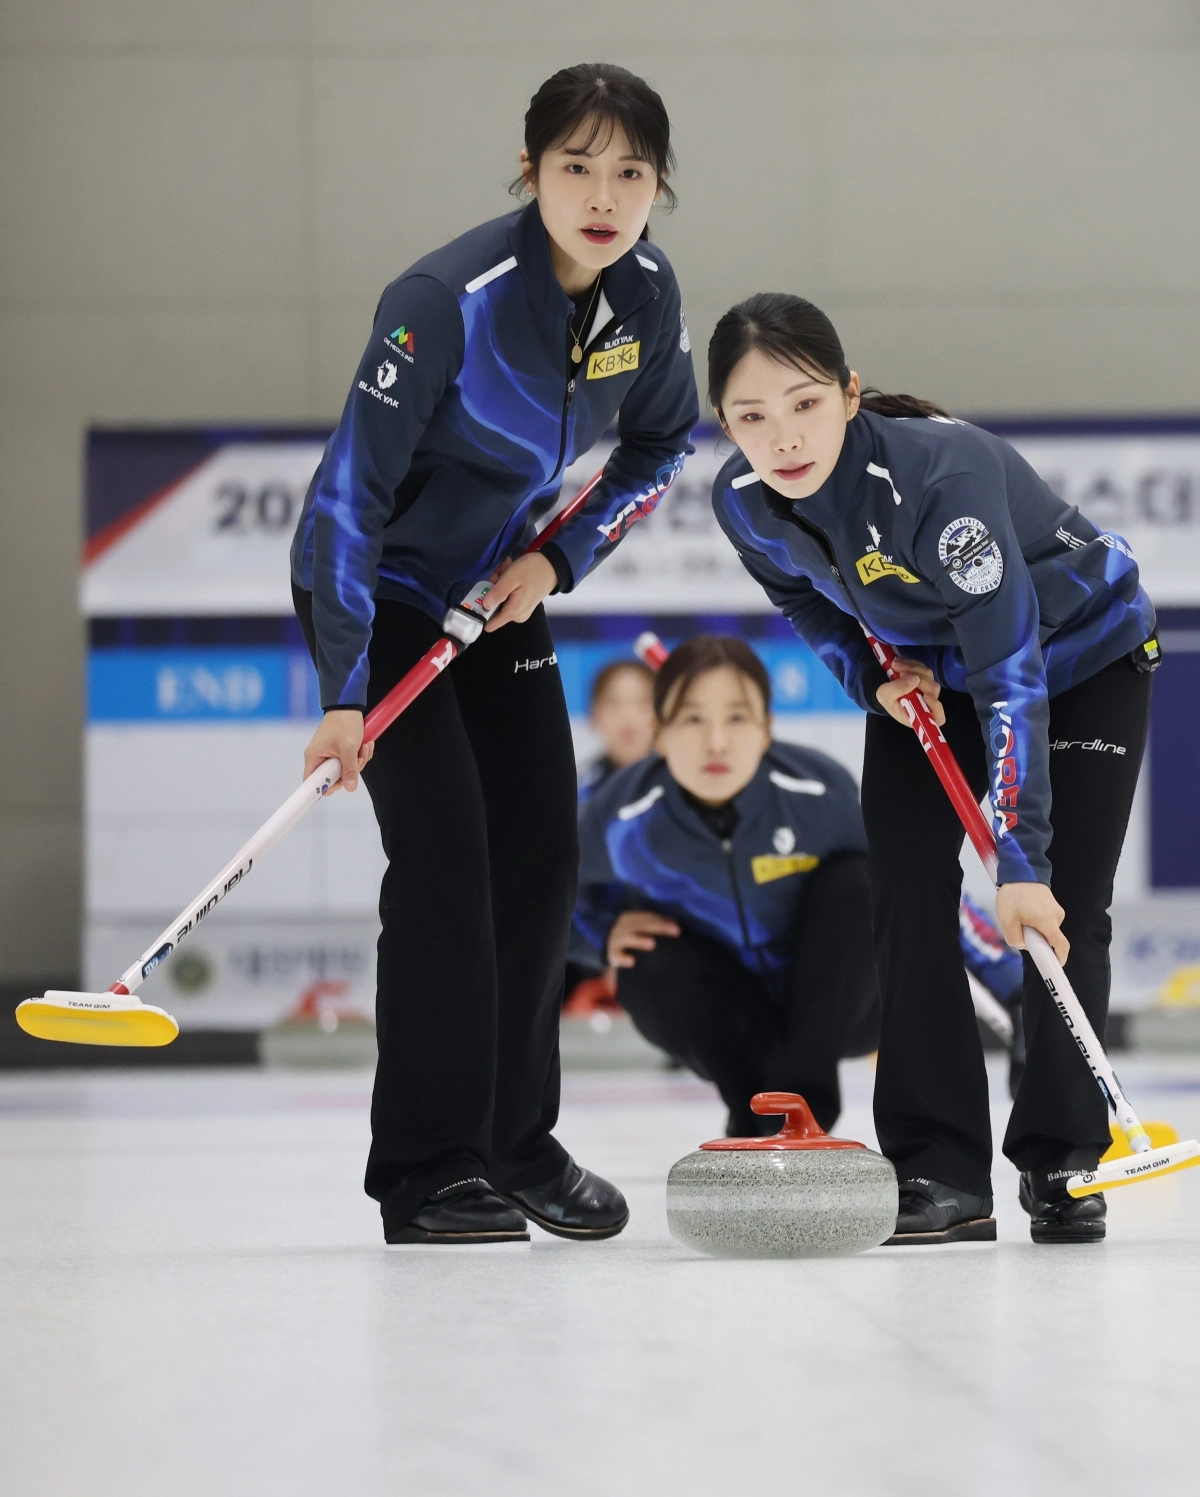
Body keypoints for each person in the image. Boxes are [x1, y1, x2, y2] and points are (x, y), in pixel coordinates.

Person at [289, 64, 698, 1246]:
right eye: (577, 166)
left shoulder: (648, 296)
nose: (604, 196)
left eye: (631, 171)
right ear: (531, 172)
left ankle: (516, 1144)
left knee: (538, 859)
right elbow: (348, 502)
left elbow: (663, 446)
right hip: (389, 594)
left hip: (497, 596)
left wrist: (557, 563)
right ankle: (427, 1167)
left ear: (660, 184)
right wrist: (344, 690)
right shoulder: (442, 302)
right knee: (445, 863)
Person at [707, 293, 1158, 1245]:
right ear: (724, 423)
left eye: (804, 404)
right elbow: (803, 598)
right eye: (751, 416)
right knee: (904, 887)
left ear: (849, 394)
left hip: (1079, 659)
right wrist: (870, 679)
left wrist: (1021, 862)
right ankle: (938, 1168)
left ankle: (1062, 1158)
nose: (782, 437)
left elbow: (1012, 674)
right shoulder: (742, 500)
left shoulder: (941, 480)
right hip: (929, 680)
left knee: (1064, 903)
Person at [575, 636, 1024, 1135]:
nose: (716, 742)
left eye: (737, 718)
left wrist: (1015, 990)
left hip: (842, 1007)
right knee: (643, 958)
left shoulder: (816, 791)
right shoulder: (623, 815)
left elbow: (920, 888)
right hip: (728, 1014)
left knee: (861, 882)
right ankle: (755, 1119)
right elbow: (553, 894)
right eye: (693, 719)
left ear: (766, 729)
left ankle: (806, 1110)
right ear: (659, 733)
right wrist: (603, 933)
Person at [579, 659, 657, 799]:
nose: (628, 717)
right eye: (614, 703)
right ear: (594, 714)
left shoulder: (680, 788)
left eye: (642, 702)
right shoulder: (578, 791)